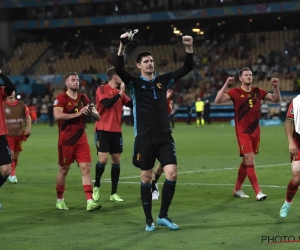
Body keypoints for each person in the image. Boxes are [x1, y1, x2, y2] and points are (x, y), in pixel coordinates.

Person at [114, 32, 193, 231]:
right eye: (146, 61)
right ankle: (148, 219)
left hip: (164, 136)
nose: (150, 63)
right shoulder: (134, 83)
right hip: (144, 137)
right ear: (139, 65)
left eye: (151, 61)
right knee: (146, 178)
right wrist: (122, 46)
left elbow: (187, 67)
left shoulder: (164, 80)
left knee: (172, 174)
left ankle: (163, 216)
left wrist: (189, 47)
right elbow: (118, 68)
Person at [215, 67, 281, 200]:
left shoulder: (258, 91)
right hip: (242, 132)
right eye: (246, 75)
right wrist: (226, 85)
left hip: (255, 132)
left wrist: (276, 87)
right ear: (240, 78)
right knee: (250, 159)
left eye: (250, 75)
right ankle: (258, 192)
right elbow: (218, 100)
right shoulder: (235, 92)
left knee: (246, 161)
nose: (249, 77)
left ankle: (237, 189)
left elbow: (276, 99)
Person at [53, 72, 101, 211]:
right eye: (73, 80)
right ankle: (60, 199)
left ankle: (90, 201)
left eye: (77, 80)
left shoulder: (83, 98)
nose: (76, 82)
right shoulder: (61, 98)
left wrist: (91, 111)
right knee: (64, 169)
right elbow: (57, 115)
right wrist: (78, 114)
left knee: (86, 168)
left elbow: (98, 117)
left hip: (81, 139)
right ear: (66, 83)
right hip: (66, 139)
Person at [93, 67, 132, 203]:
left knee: (116, 160)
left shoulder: (119, 93)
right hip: (102, 129)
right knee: (103, 159)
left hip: (116, 130)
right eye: (120, 75)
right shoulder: (102, 89)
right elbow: (107, 104)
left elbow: (132, 104)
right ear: (115, 77)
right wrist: (121, 93)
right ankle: (97, 185)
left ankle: (113, 193)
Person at [279, 95, 300, 217]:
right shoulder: (297, 101)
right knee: (296, 178)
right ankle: (287, 203)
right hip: (298, 141)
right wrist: (291, 142)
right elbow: (288, 121)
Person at [4, 91, 31, 183]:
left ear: (14, 93)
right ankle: (12, 174)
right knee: (11, 154)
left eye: (12, 91)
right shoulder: (2, 104)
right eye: (9, 92)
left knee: (15, 155)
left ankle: (9, 171)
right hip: (7, 135)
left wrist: (28, 128)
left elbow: (28, 117)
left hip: (19, 134)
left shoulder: (21, 104)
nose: (10, 93)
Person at [152, 89, 174, 201]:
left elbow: (169, 110)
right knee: (149, 162)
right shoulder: (147, 92)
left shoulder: (164, 94)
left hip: (164, 132)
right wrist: (163, 99)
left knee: (165, 161)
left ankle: (154, 180)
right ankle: (152, 188)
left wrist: (166, 99)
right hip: (148, 132)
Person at [0, 70, 15, 209]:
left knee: (6, 171)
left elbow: (11, 87)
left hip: (0, 135)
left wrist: (1, 74)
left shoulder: (0, 91)